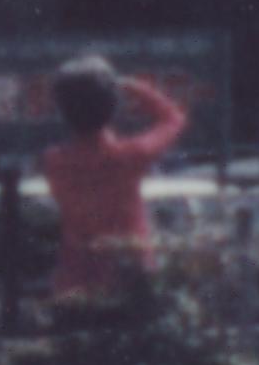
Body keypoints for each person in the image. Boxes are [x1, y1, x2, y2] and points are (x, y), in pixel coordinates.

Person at [34, 60, 190, 303]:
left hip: (75, 277)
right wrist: (135, 87)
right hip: (130, 273)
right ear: (112, 107)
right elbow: (173, 119)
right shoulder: (132, 154)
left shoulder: (53, 161)